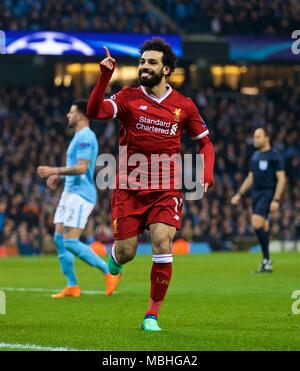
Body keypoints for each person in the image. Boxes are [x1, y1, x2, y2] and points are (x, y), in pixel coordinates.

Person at [87, 38, 215, 331]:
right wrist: (105, 75)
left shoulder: (184, 106)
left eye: (151, 62)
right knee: (127, 252)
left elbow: (205, 143)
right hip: (129, 188)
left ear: (167, 69)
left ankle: (151, 316)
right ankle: (115, 260)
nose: (144, 66)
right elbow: (95, 112)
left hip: (166, 187)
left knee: (161, 242)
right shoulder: (127, 97)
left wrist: (206, 174)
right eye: (142, 61)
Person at [37, 99, 120, 298]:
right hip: (69, 192)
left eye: (71, 112)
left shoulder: (86, 136)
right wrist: (59, 176)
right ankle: (72, 285)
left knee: (70, 242)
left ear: (81, 115)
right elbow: (78, 167)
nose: (68, 115)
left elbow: (83, 168)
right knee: (59, 239)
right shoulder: (78, 136)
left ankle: (108, 270)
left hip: (81, 195)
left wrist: (53, 170)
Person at [231, 127, 286, 272]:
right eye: (254, 137)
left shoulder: (275, 156)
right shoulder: (255, 156)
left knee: (256, 223)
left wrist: (276, 199)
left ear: (267, 138)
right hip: (256, 194)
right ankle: (266, 261)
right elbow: (251, 177)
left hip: (268, 192)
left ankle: (267, 260)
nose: (255, 139)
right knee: (263, 226)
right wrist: (239, 194)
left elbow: (281, 179)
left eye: (258, 137)